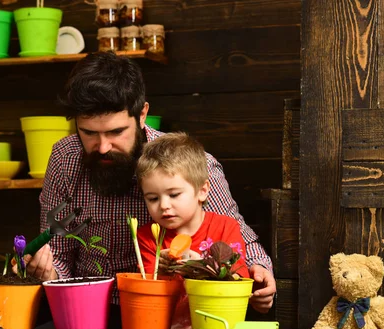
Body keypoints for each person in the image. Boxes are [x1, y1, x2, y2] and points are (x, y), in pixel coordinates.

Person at [23, 51, 276, 314]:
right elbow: (60, 253)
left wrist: (260, 272)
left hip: (163, 312)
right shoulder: (66, 159)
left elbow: (238, 239)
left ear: (142, 114)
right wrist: (47, 270)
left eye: (116, 132)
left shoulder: (189, 165)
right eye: (88, 133)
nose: (102, 147)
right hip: (86, 309)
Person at [135, 132, 249, 280]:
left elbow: (239, 281)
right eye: (153, 198)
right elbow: (149, 290)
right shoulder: (148, 237)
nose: (163, 205)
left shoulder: (226, 227)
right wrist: (161, 271)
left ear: (202, 191)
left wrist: (202, 267)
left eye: (174, 195)